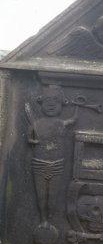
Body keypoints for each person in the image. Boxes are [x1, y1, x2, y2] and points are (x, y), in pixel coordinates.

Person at [27, 85, 78, 228]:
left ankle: (49, 219)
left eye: (55, 100)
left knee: (53, 196)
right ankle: (43, 219)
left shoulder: (60, 123)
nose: (51, 104)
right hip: (39, 163)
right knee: (41, 195)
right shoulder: (36, 123)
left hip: (57, 164)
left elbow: (74, 119)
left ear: (61, 104)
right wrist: (33, 141)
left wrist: (76, 105)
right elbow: (30, 138)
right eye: (47, 100)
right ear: (41, 102)